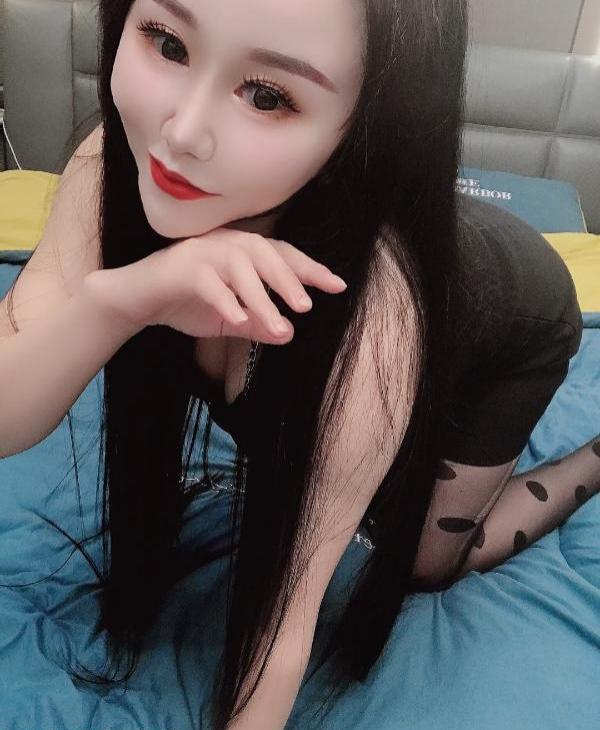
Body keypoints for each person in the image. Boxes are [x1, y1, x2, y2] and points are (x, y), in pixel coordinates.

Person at [0, 0, 598, 728]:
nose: (181, 133)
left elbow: (286, 619)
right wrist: (115, 302)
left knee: (423, 563)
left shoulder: (371, 318)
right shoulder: (111, 167)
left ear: (360, 126)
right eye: (168, 42)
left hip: (514, 320)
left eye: (267, 95)